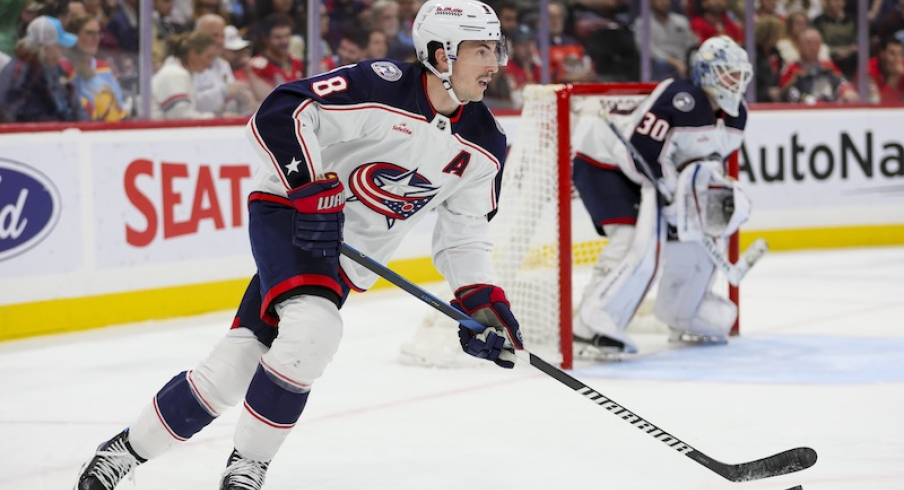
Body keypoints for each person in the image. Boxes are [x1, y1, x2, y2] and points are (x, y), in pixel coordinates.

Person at [73, 1, 522, 489]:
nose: (496, 63)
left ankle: (122, 451)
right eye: (482, 50)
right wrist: (310, 188)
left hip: (347, 259)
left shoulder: (485, 143)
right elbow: (283, 110)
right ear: (440, 53)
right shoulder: (380, 86)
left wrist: (478, 298)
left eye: (496, 48)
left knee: (238, 362)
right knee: (314, 329)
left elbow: (465, 229)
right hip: (291, 213)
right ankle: (248, 465)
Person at [569, 36, 753, 356]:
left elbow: (704, 166)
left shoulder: (737, 116)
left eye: (740, 74)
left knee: (697, 238)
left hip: (650, 178)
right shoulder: (682, 98)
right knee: (630, 240)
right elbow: (636, 152)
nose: (736, 82)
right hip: (604, 164)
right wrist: (669, 190)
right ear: (707, 73)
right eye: (728, 73)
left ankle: (684, 311)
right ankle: (590, 324)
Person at [0, 16, 85, 122]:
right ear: (45, 48)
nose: (63, 50)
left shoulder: (53, 67)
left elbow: (73, 103)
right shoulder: (23, 72)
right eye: (59, 46)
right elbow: (19, 114)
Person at [62, 13, 130, 121]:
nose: (96, 38)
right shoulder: (65, 68)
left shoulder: (103, 67)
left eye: (98, 33)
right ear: (73, 36)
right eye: (89, 33)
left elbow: (119, 107)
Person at [779, 28, 859, 103]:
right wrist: (812, 101)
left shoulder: (828, 66)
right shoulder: (791, 70)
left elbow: (841, 82)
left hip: (830, 111)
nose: (813, 47)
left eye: (817, 43)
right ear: (799, 45)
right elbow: (789, 95)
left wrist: (846, 90)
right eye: (809, 43)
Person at [150, 31, 218, 119]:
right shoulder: (174, 74)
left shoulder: (179, 73)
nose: (210, 64)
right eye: (209, 57)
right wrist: (216, 118)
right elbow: (180, 116)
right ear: (193, 54)